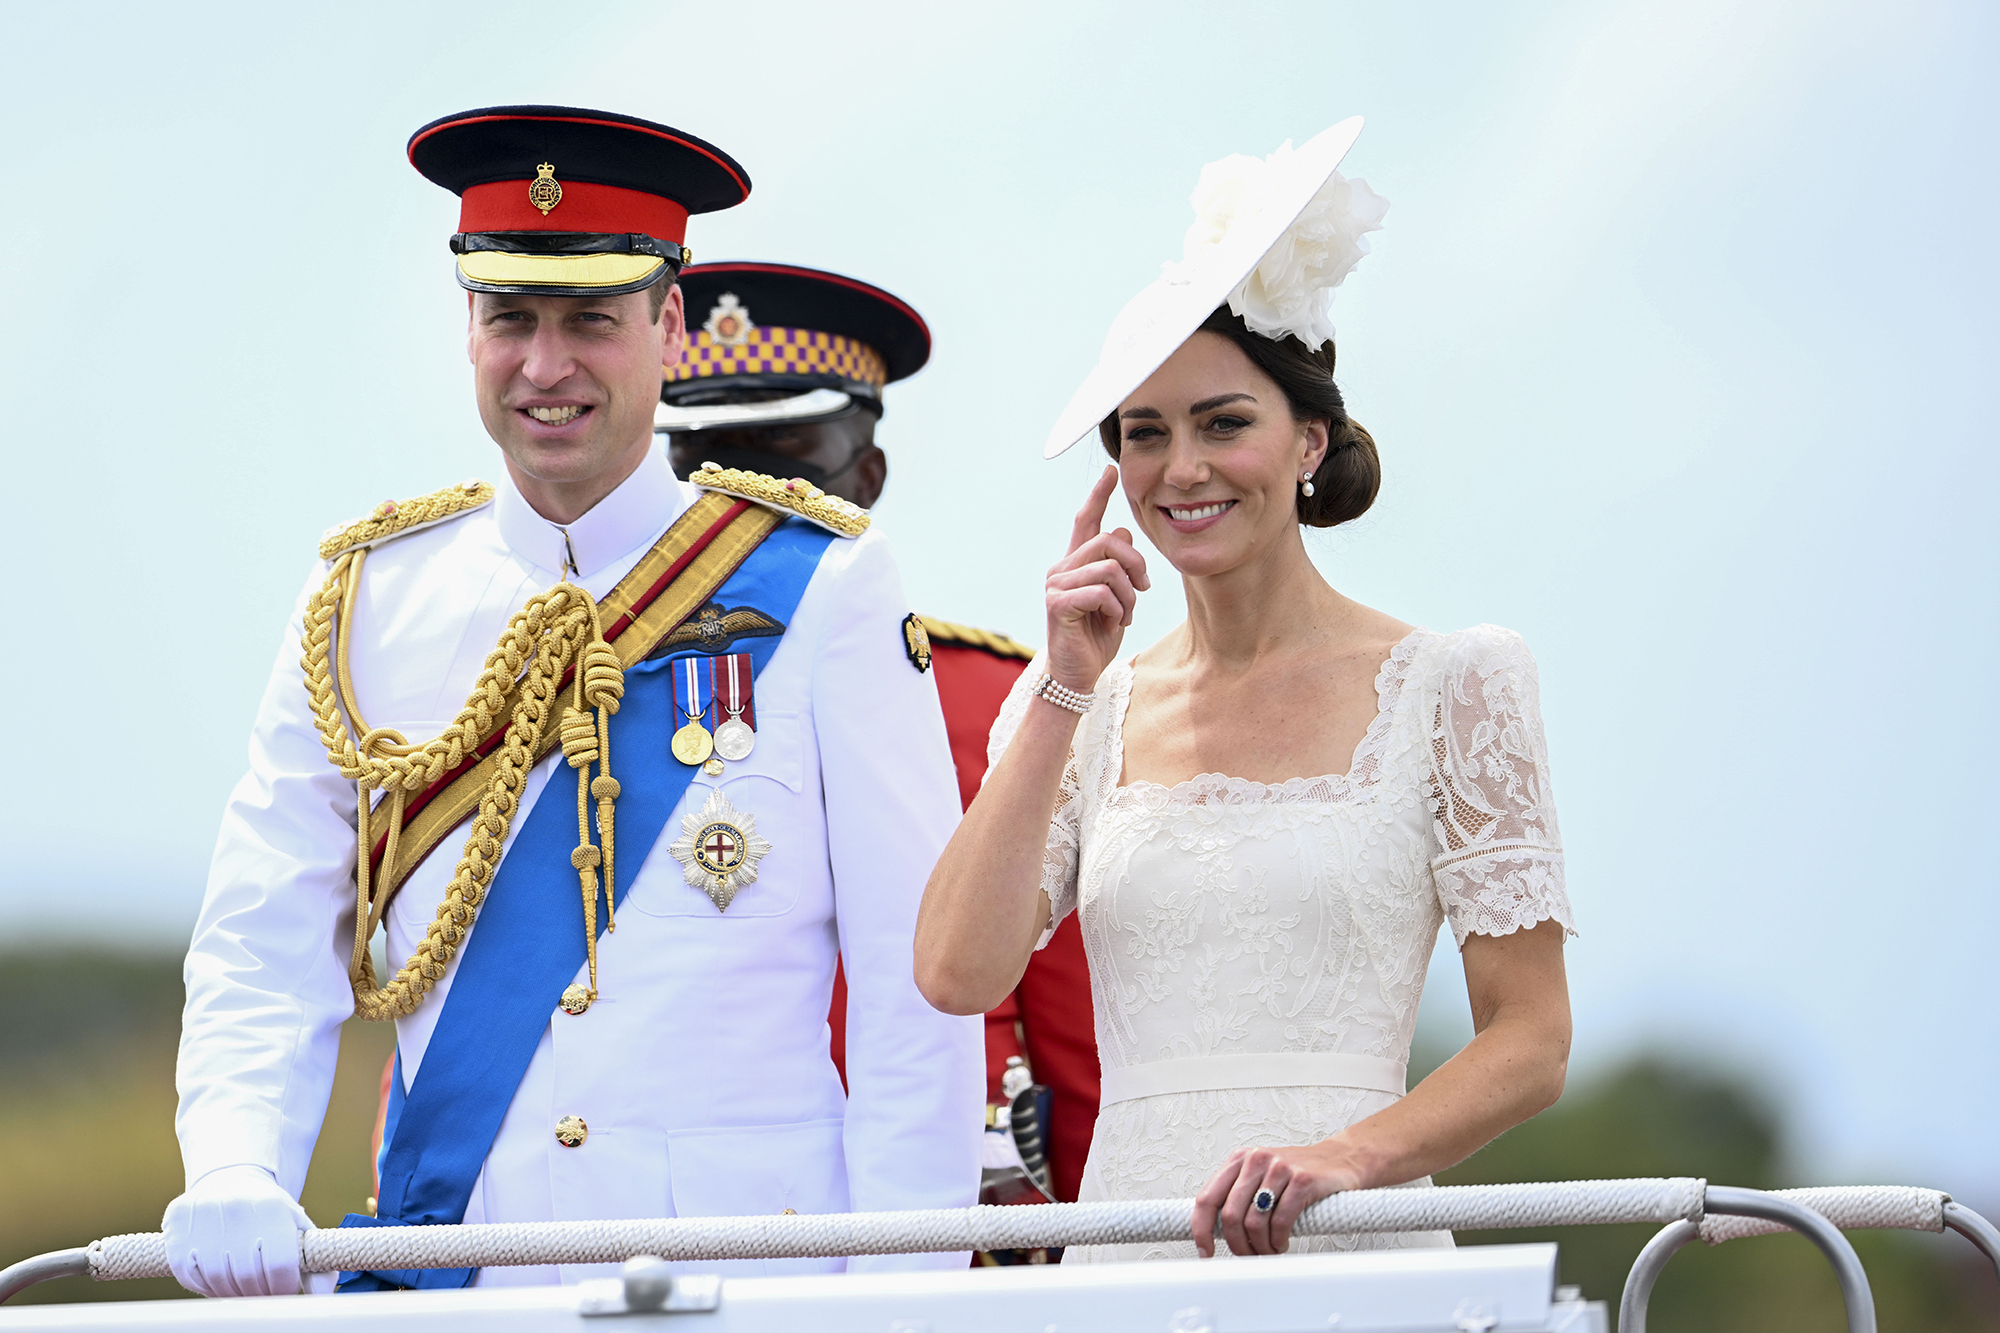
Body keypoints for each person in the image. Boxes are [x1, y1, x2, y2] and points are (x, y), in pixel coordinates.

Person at [166, 105, 982, 1299]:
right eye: (511, 320)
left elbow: (915, 984)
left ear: (666, 325)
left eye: (590, 320)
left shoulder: (827, 583)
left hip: (751, 1282)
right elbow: (261, 936)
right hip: (463, 1268)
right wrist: (235, 1158)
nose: (545, 367)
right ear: (467, 329)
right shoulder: (363, 602)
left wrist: (908, 1291)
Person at [913, 119, 1575, 1263]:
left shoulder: (1451, 684)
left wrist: (1350, 1155)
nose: (1182, 468)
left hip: (1353, 1242)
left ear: (1309, 436)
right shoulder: (1082, 705)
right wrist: (1065, 683)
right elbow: (954, 972)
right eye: (1144, 434)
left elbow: (1531, 1039)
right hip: (1131, 1255)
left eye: (1224, 423)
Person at [654, 262, 1099, 1208]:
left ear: (868, 478)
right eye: (703, 474)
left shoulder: (1002, 707)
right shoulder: (576, 705)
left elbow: (1076, 1033)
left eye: (783, 472)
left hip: (958, 1231)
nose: (741, 517)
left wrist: (1078, 1248)